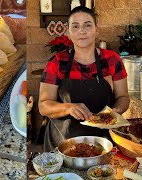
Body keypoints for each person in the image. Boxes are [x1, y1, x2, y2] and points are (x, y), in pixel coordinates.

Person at [38, 6, 130, 152]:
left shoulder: (112, 59)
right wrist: (69, 107)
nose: (82, 31)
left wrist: (112, 114)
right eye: (76, 26)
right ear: (68, 32)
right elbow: (43, 106)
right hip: (64, 142)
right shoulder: (56, 62)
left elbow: (123, 97)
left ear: (96, 30)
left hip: (104, 142)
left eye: (88, 25)